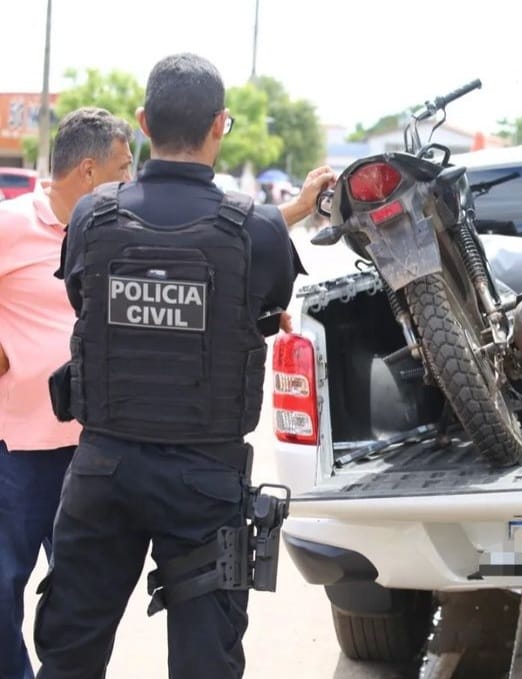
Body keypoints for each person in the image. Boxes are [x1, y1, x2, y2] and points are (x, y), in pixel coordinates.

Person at [33, 54, 331, 679]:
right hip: (204, 479)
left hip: (105, 470)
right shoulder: (256, 229)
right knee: (205, 662)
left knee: (69, 654)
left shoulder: (93, 216)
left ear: (143, 123)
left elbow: (83, 303)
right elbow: (263, 310)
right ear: (220, 125)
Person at [0, 108, 133, 679]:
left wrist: (295, 212)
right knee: (2, 584)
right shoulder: (10, 224)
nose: (130, 180)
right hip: (17, 452)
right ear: (87, 169)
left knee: (83, 598)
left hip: (92, 450)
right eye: (123, 167)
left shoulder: (115, 225)